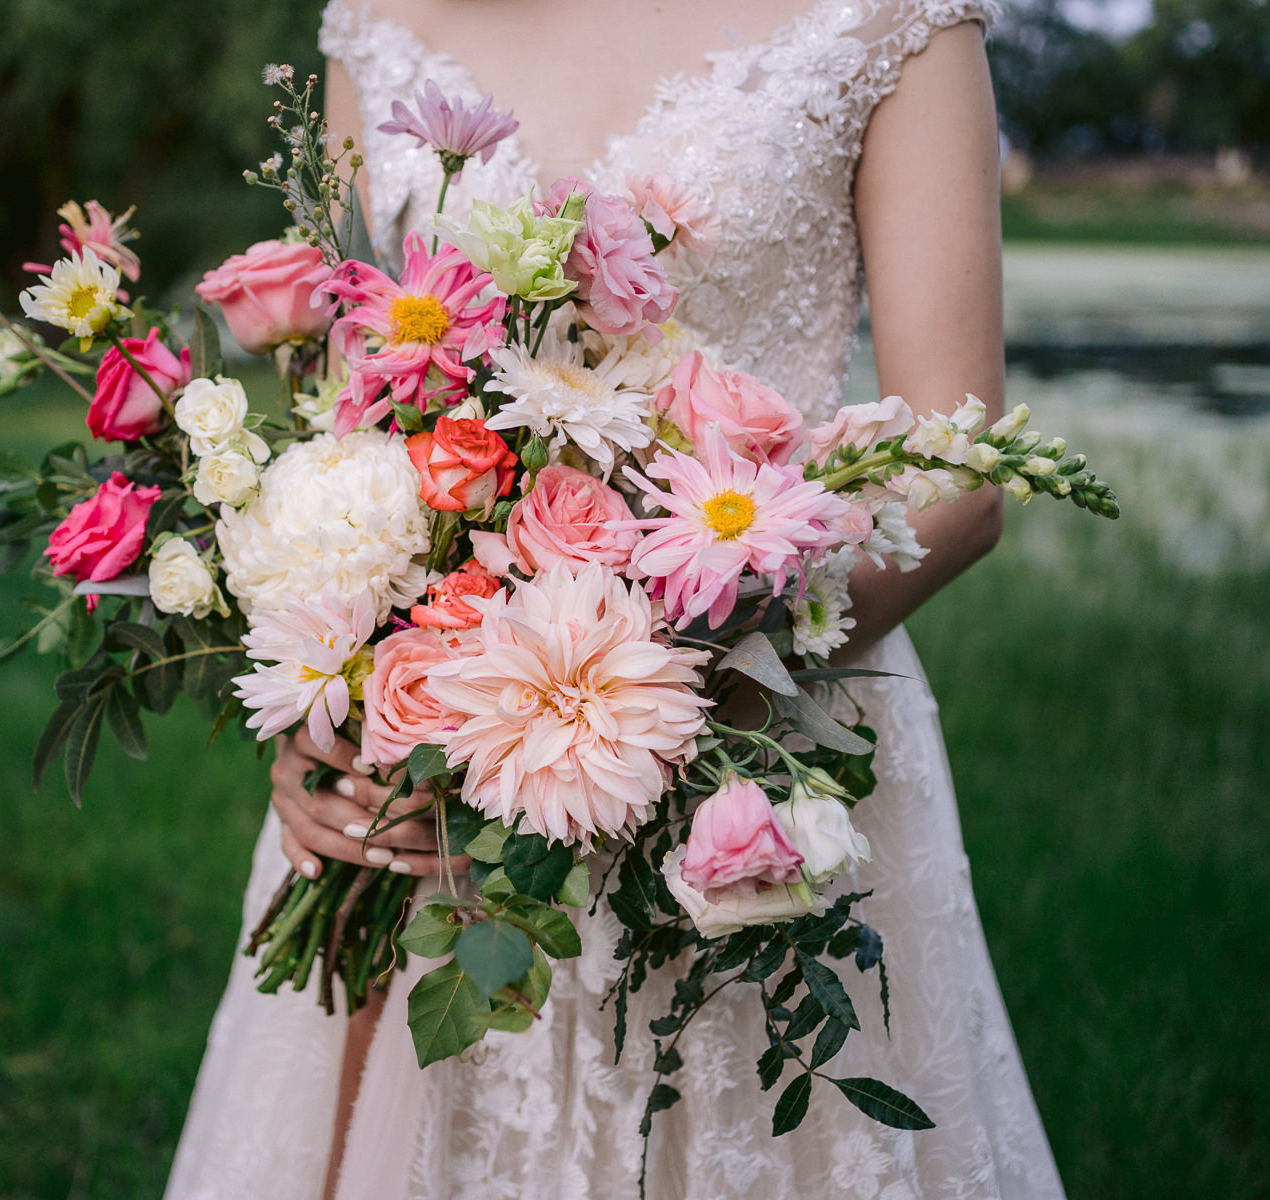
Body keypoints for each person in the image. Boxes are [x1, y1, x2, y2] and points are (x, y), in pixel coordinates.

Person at [167, 0, 1067, 1196]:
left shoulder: (893, 20)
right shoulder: (375, 21)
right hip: (424, 776)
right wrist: (324, 710)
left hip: (754, 739)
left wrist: (637, 712)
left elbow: (958, 469)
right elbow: (358, 424)